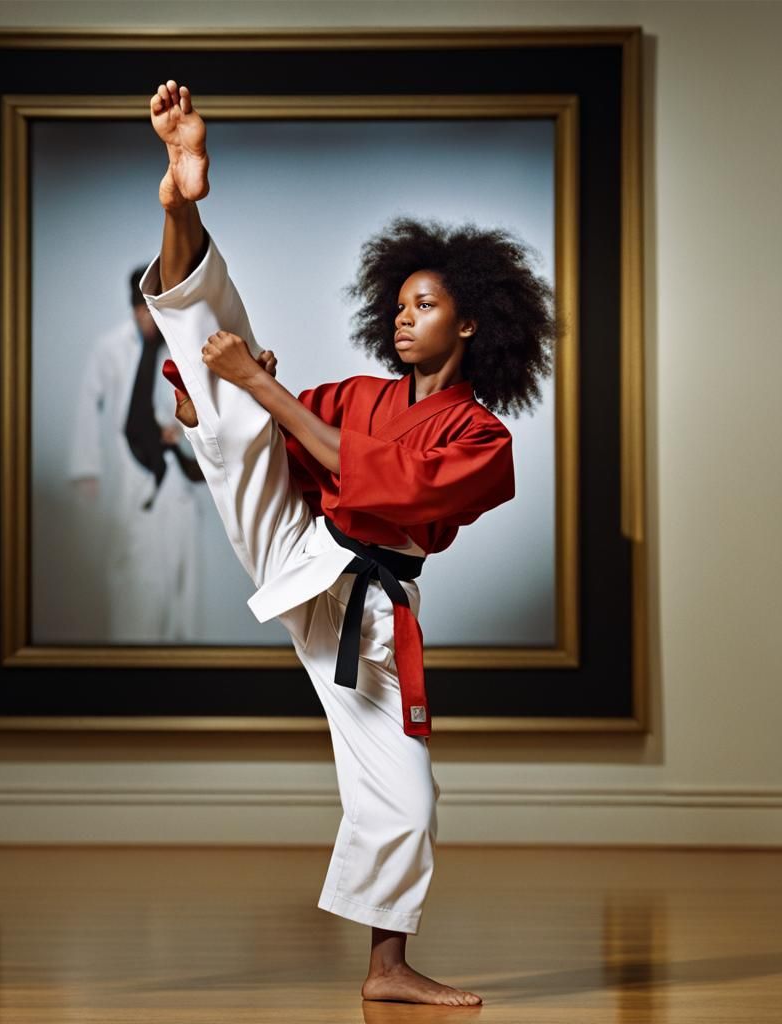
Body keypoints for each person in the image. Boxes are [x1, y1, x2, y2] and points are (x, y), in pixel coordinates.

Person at [142, 79, 557, 1006]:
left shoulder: (484, 439)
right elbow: (286, 440)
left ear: (472, 322)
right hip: (300, 544)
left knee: (408, 798)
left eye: (425, 305)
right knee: (234, 401)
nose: (404, 317)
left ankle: (386, 968)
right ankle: (180, 197)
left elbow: (398, 486)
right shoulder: (362, 396)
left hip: (373, 608)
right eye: (399, 305)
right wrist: (233, 399)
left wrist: (261, 389)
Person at [68, 266, 207, 642]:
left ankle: (182, 657)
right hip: (131, 476)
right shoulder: (111, 347)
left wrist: (180, 429)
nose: (150, 318)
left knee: (181, 584)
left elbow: (202, 410)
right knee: (133, 579)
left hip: (173, 477)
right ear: (135, 309)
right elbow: (88, 403)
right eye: (145, 310)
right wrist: (86, 470)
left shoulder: (180, 348)